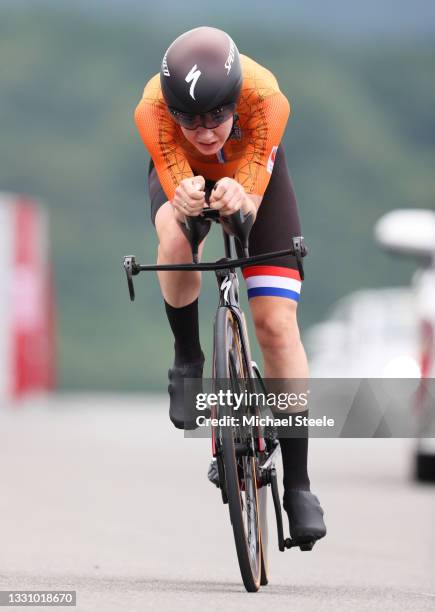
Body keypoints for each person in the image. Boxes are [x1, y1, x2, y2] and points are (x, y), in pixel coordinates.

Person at [134, 26, 326, 544]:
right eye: (189, 119)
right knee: (176, 239)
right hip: (186, 181)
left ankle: (300, 484)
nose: (205, 130)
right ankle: (188, 359)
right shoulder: (150, 110)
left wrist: (240, 198)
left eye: (218, 114)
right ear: (170, 110)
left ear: (236, 99)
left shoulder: (266, 98)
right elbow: (177, 190)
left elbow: (251, 202)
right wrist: (187, 198)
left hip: (254, 175)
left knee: (276, 325)